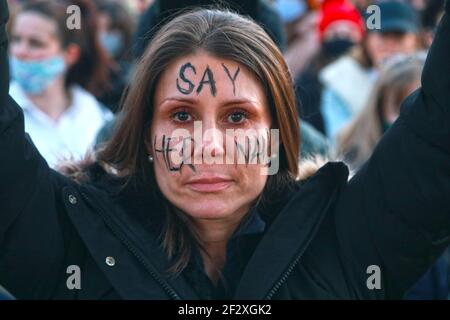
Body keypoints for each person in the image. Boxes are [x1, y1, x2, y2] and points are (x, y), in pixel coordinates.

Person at [1, 0, 450, 300]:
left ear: (277, 135)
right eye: (180, 116)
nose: (209, 147)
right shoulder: (71, 239)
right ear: (144, 134)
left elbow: (438, 135)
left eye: (237, 117)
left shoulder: (346, 240)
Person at [8, 0, 113, 167]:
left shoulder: (97, 116)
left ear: (70, 54)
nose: (20, 51)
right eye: (16, 39)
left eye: (35, 43)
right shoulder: (5, 111)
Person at [319, 0, 422, 142]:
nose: (390, 44)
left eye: (399, 36)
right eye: (383, 35)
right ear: (367, 39)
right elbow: (340, 144)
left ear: (415, 40)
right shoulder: (340, 81)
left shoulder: (430, 79)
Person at [336, 52, 426, 172]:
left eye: (420, 109)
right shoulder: (352, 157)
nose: (410, 118)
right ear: (378, 107)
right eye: (400, 109)